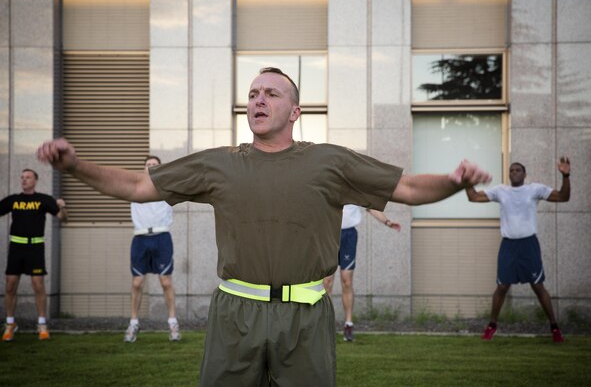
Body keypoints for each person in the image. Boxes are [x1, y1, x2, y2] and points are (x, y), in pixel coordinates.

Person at [37, 67, 491, 386]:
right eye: (254, 93)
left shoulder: (330, 161)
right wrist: (74, 165)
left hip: (306, 320)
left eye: (272, 93)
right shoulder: (220, 164)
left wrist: (454, 182)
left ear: (295, 111)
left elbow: (408, 188)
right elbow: (137, 186)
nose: (259, 99)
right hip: (235, 315)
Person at [466, 158, 570, 343]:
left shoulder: (534, 189)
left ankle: (555, 328)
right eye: (511, 170)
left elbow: (563, 197)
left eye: (518, 170)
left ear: (524, 174)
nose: (514, 173)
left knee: (538, 286)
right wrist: (466, 181)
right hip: (508, 245)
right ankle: (492, 326)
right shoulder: (501, 191)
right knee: (502, 287)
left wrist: (566, 175)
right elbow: (473, 197)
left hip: (529, 245)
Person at [1, 168, 68, 342]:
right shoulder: (13, 200)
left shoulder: (43, 200)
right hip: (16, 248)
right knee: (10, 285)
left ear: (35, 180)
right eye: (22, 177)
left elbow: (62, 218)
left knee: (38, 285)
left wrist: (62, 207)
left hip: (35, 248)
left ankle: (42, 324)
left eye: (28, 177)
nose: (24, 180)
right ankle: (10, 324)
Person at [323, 205, 401, 342]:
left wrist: (387, 222)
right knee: (327, 283)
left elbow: (371, 207)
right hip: (329, 233)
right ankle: (326, 325)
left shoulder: (355, 187)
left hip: (348, 236)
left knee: (346, 281)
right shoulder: (331, 184)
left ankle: (348, 325)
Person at [124, 155, 181, 343]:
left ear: (160, 168)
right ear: (143, 168)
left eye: (154, 165)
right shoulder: (134, 187)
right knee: (137, 283)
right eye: (148, 165)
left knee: (165, 282)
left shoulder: (167, 188)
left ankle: (173, 323)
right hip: (140, 237)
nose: (150, 167)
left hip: (161, 237)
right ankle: (133, 323)